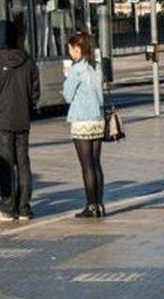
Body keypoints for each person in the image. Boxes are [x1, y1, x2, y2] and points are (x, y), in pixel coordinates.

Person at [0, 21, 39, 222]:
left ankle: (8, 207)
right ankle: (24, 207)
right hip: (23, 120)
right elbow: (35, 92)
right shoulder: (28, 60)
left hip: (2, 120)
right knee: (23, 162)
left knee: (6, 164)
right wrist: (28, 109)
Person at [62, 31, 105, 218]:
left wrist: (66, 77)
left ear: (77, 49)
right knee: (96, 164)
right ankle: (100, 204)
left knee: (86, 165)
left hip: (81, 121)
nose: (70, 52)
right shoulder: (96, 67)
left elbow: (67, 96)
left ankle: (90, 205)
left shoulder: (76, 69)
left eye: (70, 49)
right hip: (97, 119)